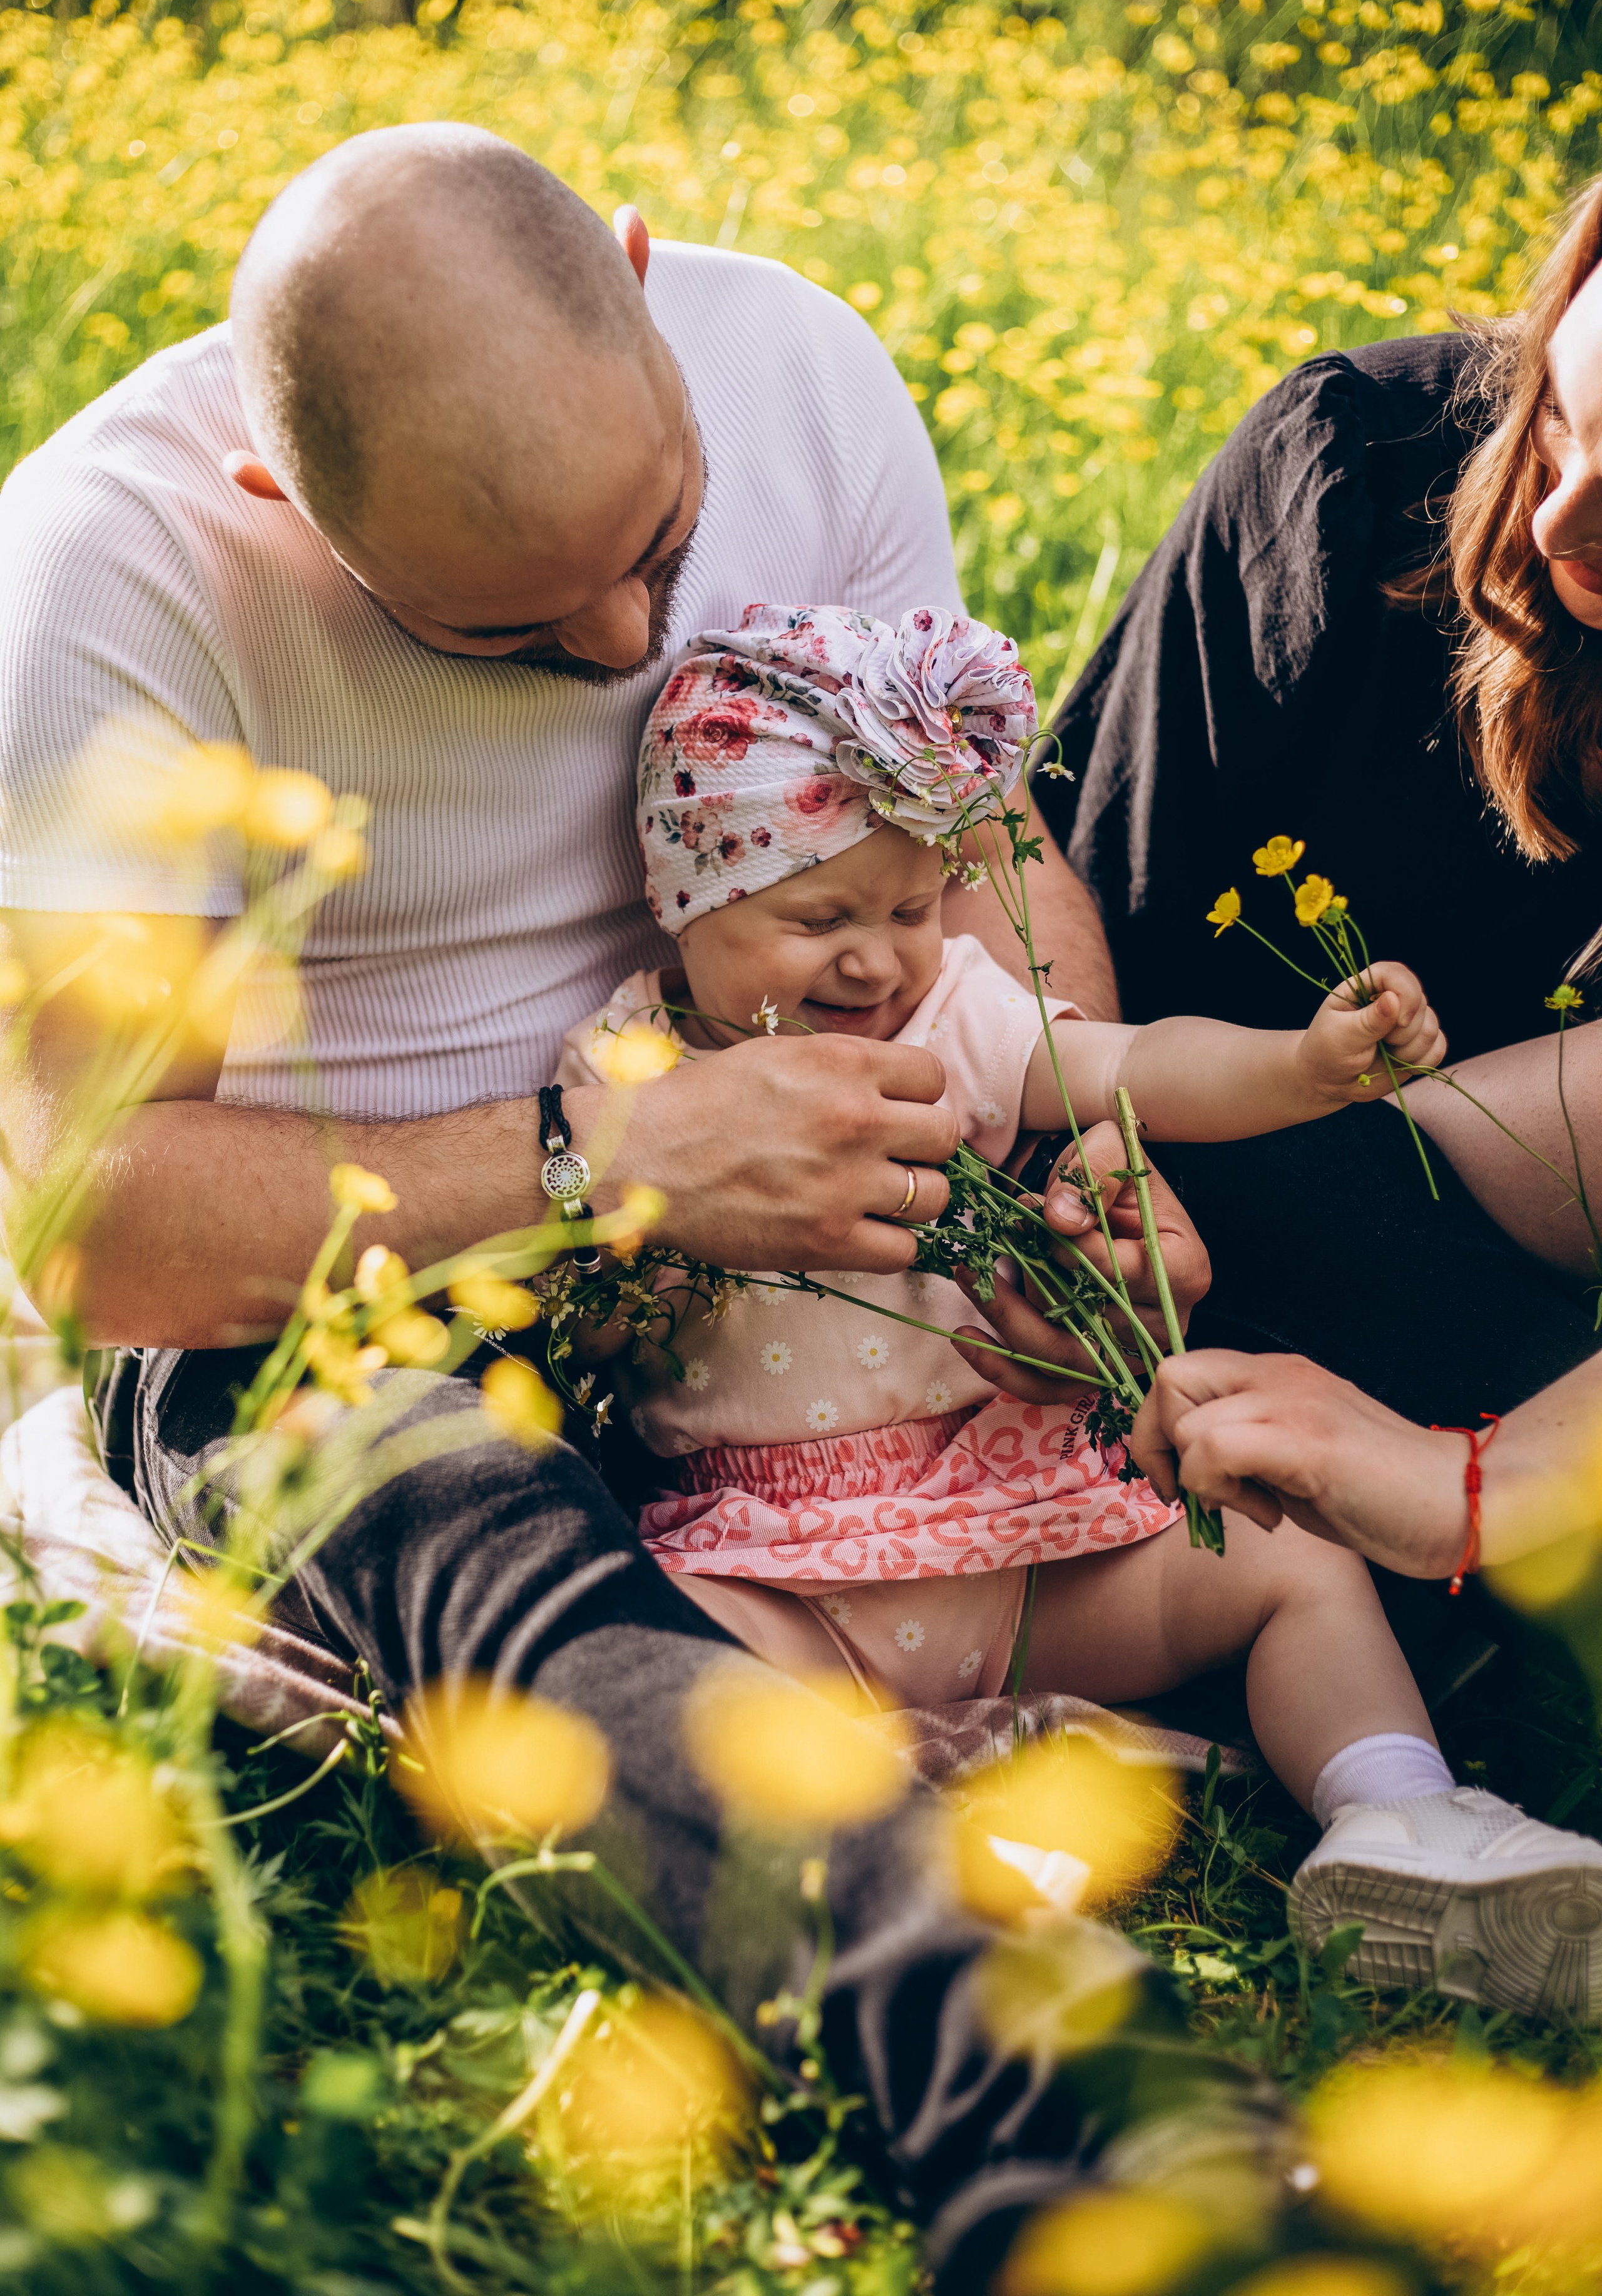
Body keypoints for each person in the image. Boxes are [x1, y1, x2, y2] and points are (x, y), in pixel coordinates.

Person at [0, 122, 1240, 2287]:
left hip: (848, 1236)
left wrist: (1066, 1174)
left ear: (648, 282)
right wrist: (594, 1169)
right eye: (504, 622)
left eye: (660, 540)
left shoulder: (803, 365)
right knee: (517, 1585)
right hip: (373, 1305)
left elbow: (979, 853)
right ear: (281, 500)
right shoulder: (103, 574)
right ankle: (1048, 2102)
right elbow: (92, 1217)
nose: (624, 634)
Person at [549, 596, 1602, 2021]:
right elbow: (591, 1321)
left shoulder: (954, 1023)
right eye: (817, 920)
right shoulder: (632, 1081)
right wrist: (640, 1256)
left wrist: (1306, 1067)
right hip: (787, 1577)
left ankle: (1406, 1816)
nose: (874, 961)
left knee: (1289, 1570)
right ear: (689, 898)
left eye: (911, 908)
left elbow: (1136, 1063)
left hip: (1024, 1547)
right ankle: (911, 1875)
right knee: (667, 1650)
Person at [1033, 169, 1602, 1467]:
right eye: (1561, 423)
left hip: (1494, 1195)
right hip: (1165, 1149)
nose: (1560, 516)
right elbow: (1090, 878)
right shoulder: (1363, 464)